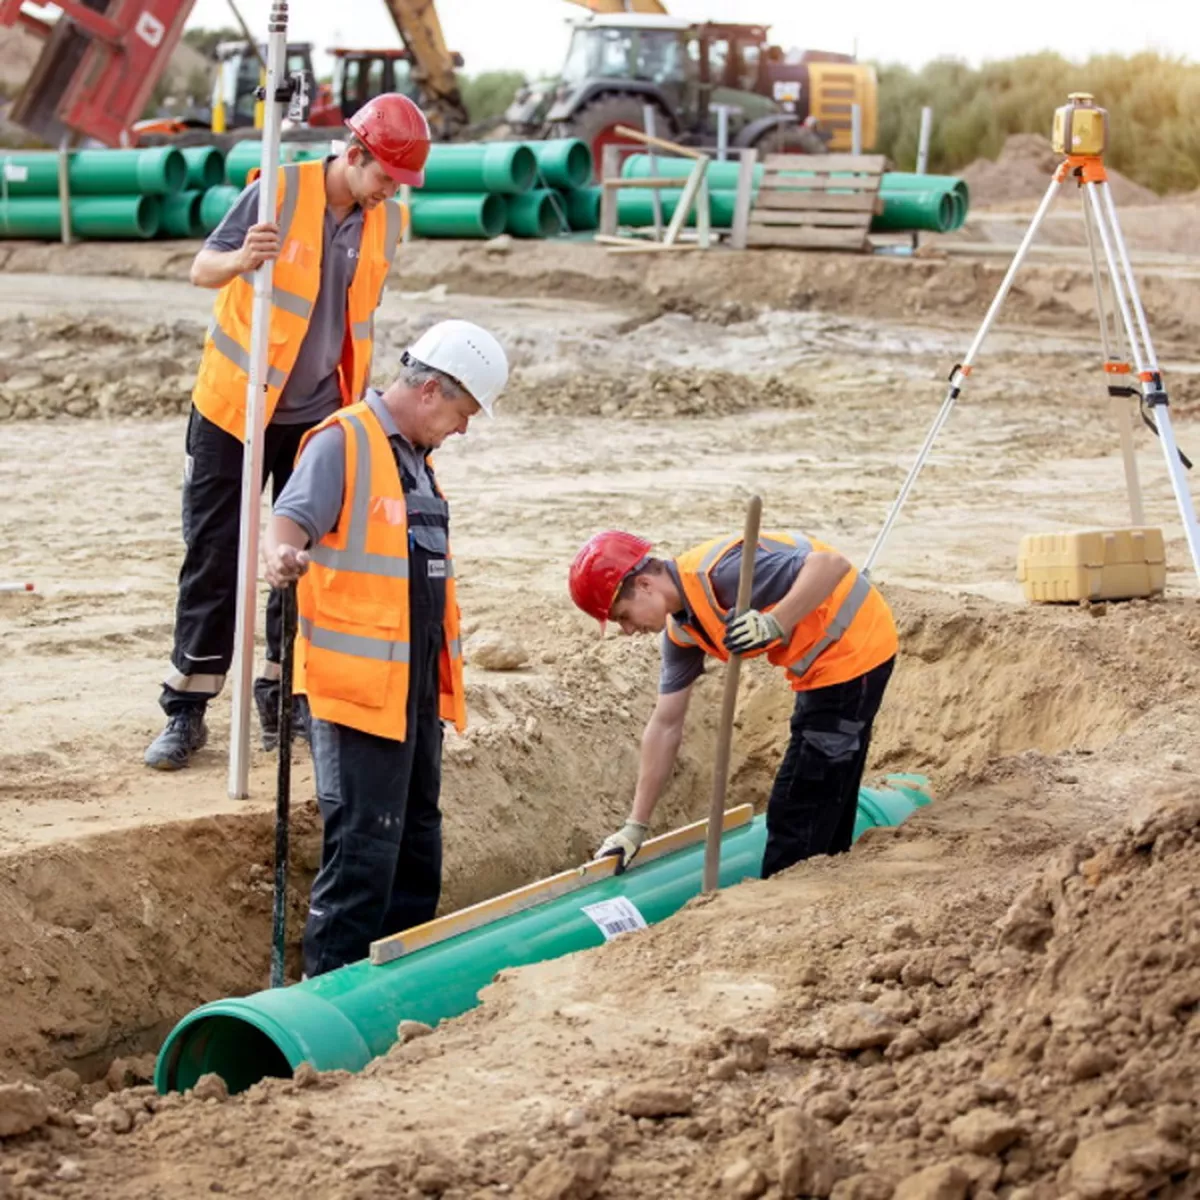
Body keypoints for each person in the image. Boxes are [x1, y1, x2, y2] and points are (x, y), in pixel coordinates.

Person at [145, 93, 430, 770]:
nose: (391, 190)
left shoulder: (384, 221)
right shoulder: (278, 188)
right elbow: (200, 269)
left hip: (318, 418)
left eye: (399, 181)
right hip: (235, 408)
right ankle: (186, 709)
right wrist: (244, 256)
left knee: (300, 558)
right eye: (385, 174)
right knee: (217, 555)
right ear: (353, 154)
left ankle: (282, 696)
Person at [263, 320, 509, 977]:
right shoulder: (345, 441)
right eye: (463, 413)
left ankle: (403, 984)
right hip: (356, 694)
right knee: (364, 849)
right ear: (430, 391)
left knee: (416, 846)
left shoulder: (417, 465)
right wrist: (280, 554)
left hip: (413, 690)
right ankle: (330, 995)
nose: (463, 430)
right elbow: (289, 517)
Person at [569, 528, 898, 878]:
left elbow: (831, 566)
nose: (628, 630)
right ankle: (831, 868)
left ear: (645, 585)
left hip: (854, 648)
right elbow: (666, 723)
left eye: (623, 615)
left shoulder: (725, 574)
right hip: (818, 669)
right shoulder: (682, 632)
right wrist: (635, 826)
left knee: (797, 807)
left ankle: (789, 899)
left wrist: (775, 622)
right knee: (827, 782)